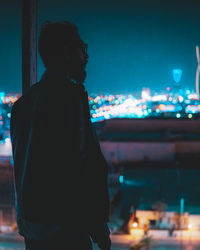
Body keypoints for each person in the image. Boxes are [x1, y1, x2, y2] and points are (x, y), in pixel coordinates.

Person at [10, 21, 111, 250]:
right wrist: (99, 229)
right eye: (81, 48)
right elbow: (82, 167)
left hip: (35, 231)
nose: (86, 56)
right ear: (66, 52)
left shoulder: (22, 106)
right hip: (66, 230)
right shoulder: (69, 99)